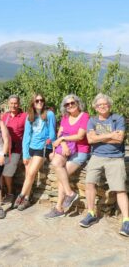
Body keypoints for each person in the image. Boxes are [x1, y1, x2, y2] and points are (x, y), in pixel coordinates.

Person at [79, 94, 128, 237]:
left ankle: (126, 221)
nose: (102, 106)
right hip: (97, 156)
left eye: (105, 104)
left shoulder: (117, 118)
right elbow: (90, 139)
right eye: (99, 105)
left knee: (120, 189)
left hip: (115, 158)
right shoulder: (92, 120)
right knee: (89, 183)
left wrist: (99, 138)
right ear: (95, 107)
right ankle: (91, 213)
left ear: (109, 105)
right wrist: (110, 135)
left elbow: (119, 139)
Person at [44, 94, 90, 219]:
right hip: (67, 149)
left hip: (80, 151)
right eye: (67, 104)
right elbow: (60, 134)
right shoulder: (65, 117)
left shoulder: (84, 116)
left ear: (78, 103)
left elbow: (80, 136)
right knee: (57, 165)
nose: (70, 106)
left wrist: (63, 138)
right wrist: (63, 143)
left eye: (72, 103)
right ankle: (69, 194)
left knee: (61, 177)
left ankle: (59, 208)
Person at [14, 94, 56, 211]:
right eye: (37, 101)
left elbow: (53, 132)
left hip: (42, 148)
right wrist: (26, 154)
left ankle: (21, 195)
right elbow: (27, 136)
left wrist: (49, 141)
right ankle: (27, 199)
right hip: (31, 147)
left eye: (41, 100)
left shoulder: (49, 114)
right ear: (33, 103)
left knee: (31, 173)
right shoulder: (30, 117)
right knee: (29, 175)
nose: (39, 102)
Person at [0, 95, 27, 204]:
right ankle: (1, 193)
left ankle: (10, 193)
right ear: (8, 104)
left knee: (7, 173)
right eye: (11, 103)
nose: (13, 105)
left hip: (16, 149)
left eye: (15, 103)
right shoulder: (5, 116)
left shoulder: (24, 116)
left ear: (19, 104)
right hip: (4, 148)